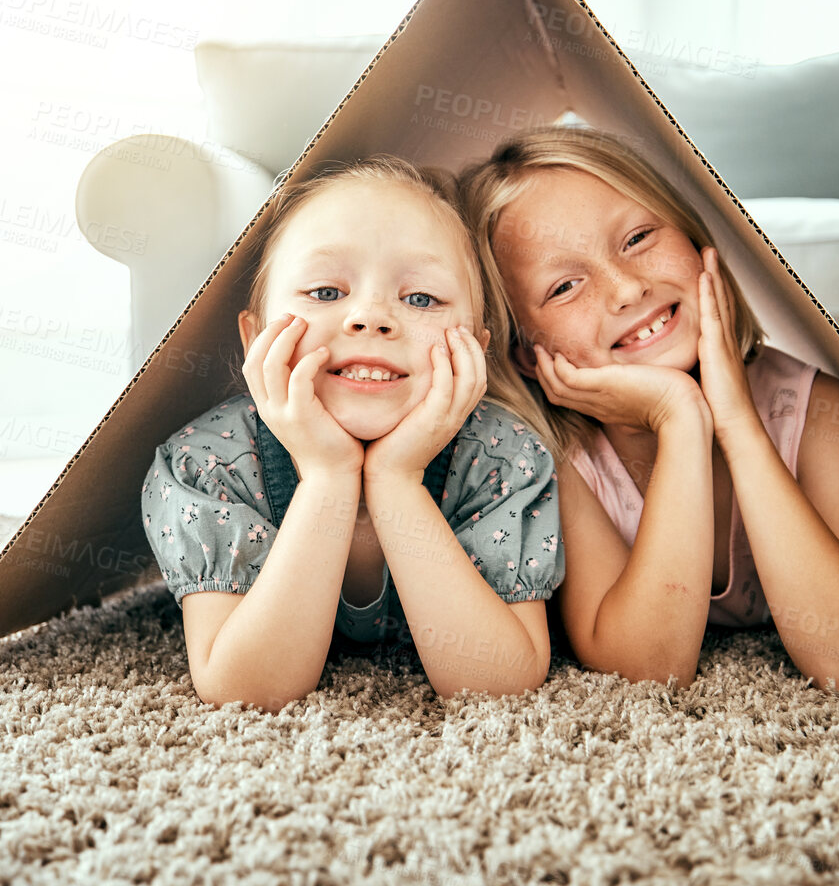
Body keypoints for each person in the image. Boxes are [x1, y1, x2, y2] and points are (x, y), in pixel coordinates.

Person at [457, 126, 839, 694]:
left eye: (638, 238)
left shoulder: (820, 413)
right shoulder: (553, 459)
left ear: (696, 239)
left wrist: (737, 422)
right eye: (566, 285)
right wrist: (680, 417)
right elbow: (651, 667)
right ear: (527, 352)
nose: (626, 289)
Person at [141, 157, 562, 711]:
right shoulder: (209, 464)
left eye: (420, 299)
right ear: (256, 339)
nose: (370, 317)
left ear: (475, 349)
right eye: (323, 292)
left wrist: (398, 478)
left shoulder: (502, 457)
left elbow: (498, 682)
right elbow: (246, 690)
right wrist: (327, 474)